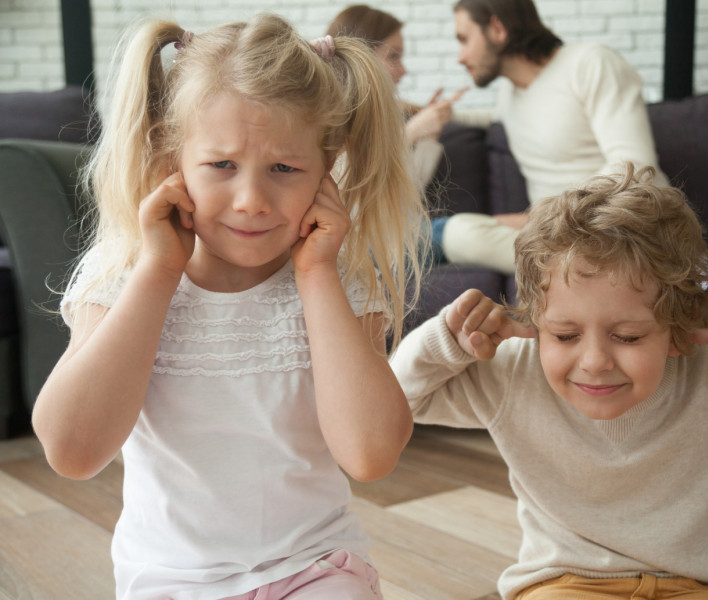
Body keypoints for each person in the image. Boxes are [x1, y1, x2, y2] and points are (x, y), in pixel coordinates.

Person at [31, 13, 427, 600]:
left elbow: (370, 455)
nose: (250, 201)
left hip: (315, 566)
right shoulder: (119, 272)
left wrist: (316, 274)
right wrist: (158, 272)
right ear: (171, 158)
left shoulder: (340, 278)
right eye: (221, 166)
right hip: (169, 579)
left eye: (285, 169)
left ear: (327, 169)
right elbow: (72, 450)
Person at [389, 164, 708, 600]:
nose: (593, 361)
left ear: (680, 332)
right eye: (564, 334)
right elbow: (395, 403)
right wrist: (445, 342)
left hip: (693, 586)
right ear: (536, 323)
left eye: (628, 337)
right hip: (561, 583)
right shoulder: (514, 370)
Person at [433, 0, 668, 274]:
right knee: (460, 230)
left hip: (623, 231)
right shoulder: (510, 95)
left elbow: (636, 166)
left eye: (464, 39)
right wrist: (419, 112)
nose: (460, 57)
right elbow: (492, 116)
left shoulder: (590, 63)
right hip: (556, 238)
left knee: (458, 232)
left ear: (497, 28)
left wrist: (540, 217)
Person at [326, 4, 468, 190]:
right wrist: (411, 133)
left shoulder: (383, 116)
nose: (403, 70)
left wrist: (429, 134)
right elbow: (345, 192)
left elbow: (410, 192)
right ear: (361, 58)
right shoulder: (327, 118)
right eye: (393, 57)